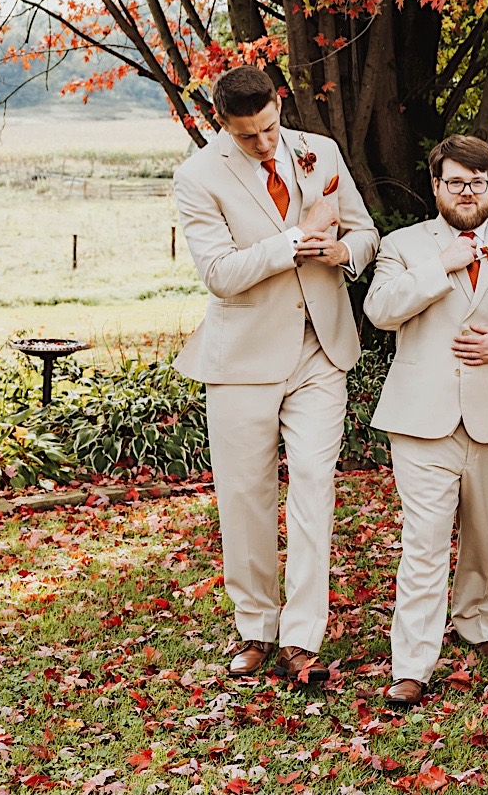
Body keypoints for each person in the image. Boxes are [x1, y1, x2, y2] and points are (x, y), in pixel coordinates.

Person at [173, 65, 378, 684]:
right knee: (245, 496)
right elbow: (220, 273)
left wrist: (345, 252)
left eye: (269, 128)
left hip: (321, 348)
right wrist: (294, 240)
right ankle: (256, 626)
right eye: (248, 136)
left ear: (278, 104)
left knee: (314, 484)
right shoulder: (198, 177)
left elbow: (365, 230)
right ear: (223, 125)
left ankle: (302, 637)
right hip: (242, 360)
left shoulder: (324, 152)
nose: (264, 143)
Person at [363, 135, 488, 707]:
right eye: (457, 182)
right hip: (422, 418)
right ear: (436, 186)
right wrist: (442, 266)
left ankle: (478, 623)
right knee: (423, 544)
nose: (468, 193)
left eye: (479, 182)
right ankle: (412, 662)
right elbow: (381, 311)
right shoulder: (403, 244)